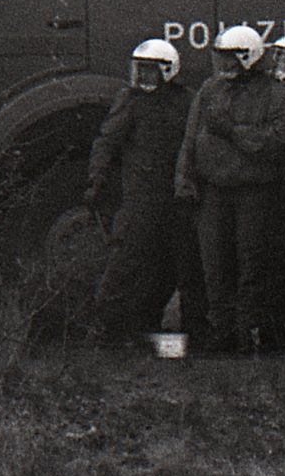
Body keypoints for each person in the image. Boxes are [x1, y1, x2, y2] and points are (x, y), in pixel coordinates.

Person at [176, 24, 285, 352]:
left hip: (254, 192)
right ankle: (222, 333)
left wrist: (232, 132)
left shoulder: (274, 94)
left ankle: (246, 333)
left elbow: (278, 140)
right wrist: (185, 181)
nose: (223, 66)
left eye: (230, 59)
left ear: (248, 58)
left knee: (251, 262)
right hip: (213, 190)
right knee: (215, 263)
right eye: (221, 58)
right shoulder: (209, 90)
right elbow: (191, 139)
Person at [87, 38, 204, 347]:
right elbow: (106, 141)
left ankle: (192, 331)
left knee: (182, 268)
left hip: (177, 197)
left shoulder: (187, 101)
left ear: (169, 70)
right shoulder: (130, 100)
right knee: (124, 263)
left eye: (151, 71)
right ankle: (106, 328)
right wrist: (96, 177)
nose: (144, 78)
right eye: (141, 71)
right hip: (141, 198)